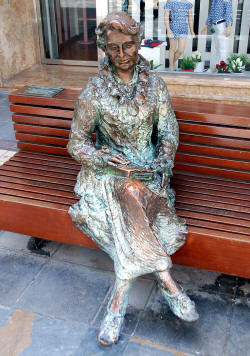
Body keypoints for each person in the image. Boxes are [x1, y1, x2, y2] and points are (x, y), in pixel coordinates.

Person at [67, 11, 199, 347]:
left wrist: (164, 158)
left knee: (133, 197)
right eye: (114, 48)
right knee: (127, 191)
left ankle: (117, 305)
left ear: (139, 43)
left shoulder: (155, 85)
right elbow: (76, 142)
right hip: (106, 177)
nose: (123, 55)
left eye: (128, 45)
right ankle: (168, 282)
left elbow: (169, 129)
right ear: (104, 49)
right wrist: (101, 156)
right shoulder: (94, 90)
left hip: (149, 176)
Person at [201, 0, 232, 71]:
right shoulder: (215, 1)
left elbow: (229, 12)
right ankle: (217, 66)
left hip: (222, 24)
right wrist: (206, 26)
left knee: (222, 48)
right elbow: (211, 13)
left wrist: (228, 27)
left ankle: (223, 67)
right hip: (215, 25)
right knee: (217, 48)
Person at [164, 0, 195, 71]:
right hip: (173, 27)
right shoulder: (170, 2)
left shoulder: (188, 4)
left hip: (183, 28)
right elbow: (166, 17)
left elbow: (190, 18)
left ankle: (173, 62)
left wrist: (191, 30)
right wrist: (168, 30)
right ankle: (171, 66)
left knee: (181, 50)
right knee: (172, 48)